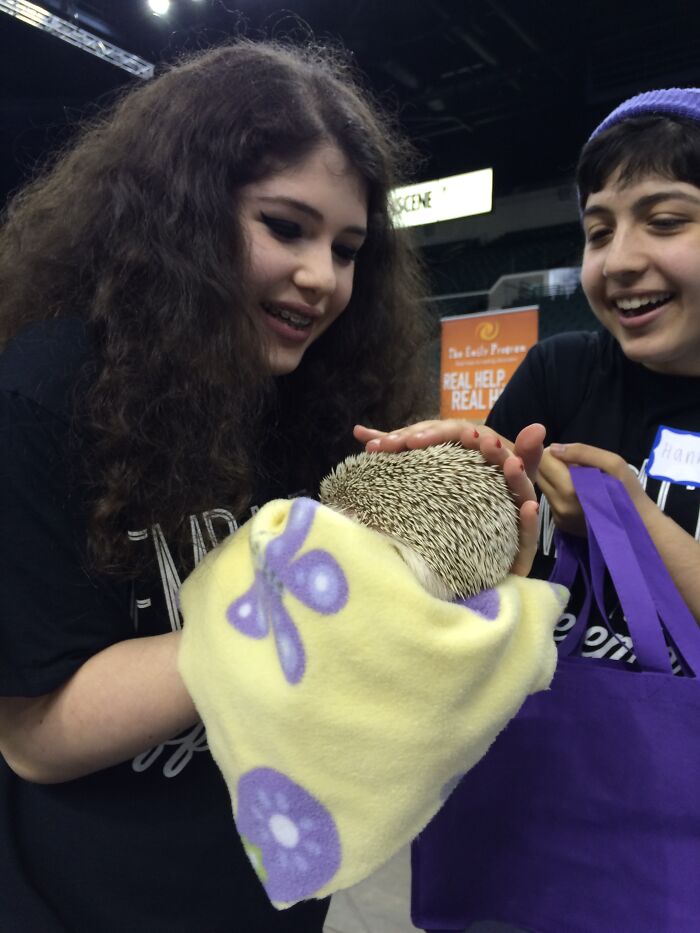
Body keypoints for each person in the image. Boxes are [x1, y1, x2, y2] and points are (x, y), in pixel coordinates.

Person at [0, 39, 541, 932]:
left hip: (276, 898)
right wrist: (289, 608)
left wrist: (471, 537)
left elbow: (378, 676)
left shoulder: (325, 398)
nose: (322, 277)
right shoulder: (46, 391)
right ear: (176, 216)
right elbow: (33, 739)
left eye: (348, 246)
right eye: (284, 227)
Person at [364, 87, 700, 649]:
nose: (619, 261)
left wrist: (626, 522)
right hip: (551, 718)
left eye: (664, 221)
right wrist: (446, 472)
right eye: (598, 233)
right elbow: (472, 540)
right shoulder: (561, 368)